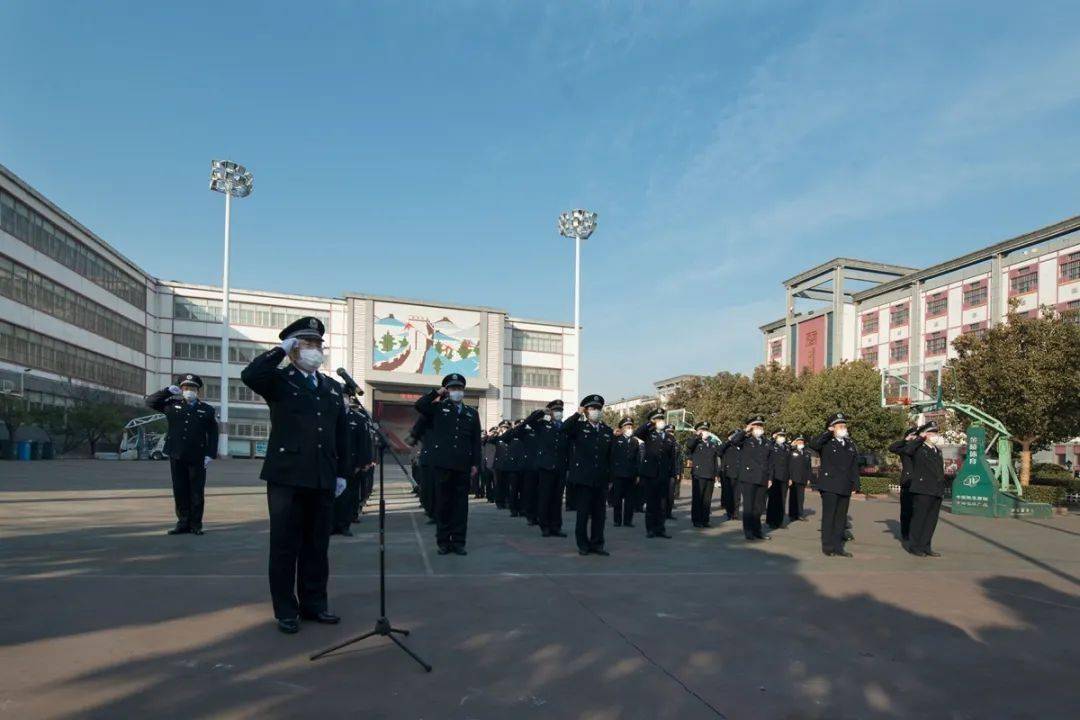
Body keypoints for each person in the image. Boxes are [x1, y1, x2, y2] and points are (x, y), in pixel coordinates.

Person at [240, 316, 349, 634]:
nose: (314, 349)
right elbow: (250, 375)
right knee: (286, 545)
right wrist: (279, 351)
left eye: (318, 344)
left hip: (322, 477)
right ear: (293, 348)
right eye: (306, 343)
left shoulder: (332, 387)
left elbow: (339, 433)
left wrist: (341, 473)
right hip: (287, 477)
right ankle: (286, 609)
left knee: (317, 545)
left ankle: (314, 603)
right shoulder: (279, 380)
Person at [414, 373, 482, 556]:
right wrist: (437, 393)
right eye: (452, 388)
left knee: (461, 506)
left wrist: (476, 463)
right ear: (446, 390)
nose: (456, 392)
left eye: (459, 389)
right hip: (442, 465)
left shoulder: (471, 413)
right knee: (443, 504)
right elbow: (419, 405)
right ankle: (443, 542)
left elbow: (476, 441)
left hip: (463, 465)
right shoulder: (437, 408)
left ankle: (459, 542)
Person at [145, 373, 218, 536]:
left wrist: (210, 454)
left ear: (198, 391)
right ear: (181, 389)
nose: (189, 391)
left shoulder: (206, 409)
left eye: (192, 388)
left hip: (197, 456)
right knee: (180, 489)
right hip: (176, 454)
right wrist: (167, 391)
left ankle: (196, 524)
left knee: (196, 491)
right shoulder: (172, 405)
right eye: (185, 388)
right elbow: (150, 402)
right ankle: (182, 522)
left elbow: (213, 433)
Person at [561, 394, 614, 555]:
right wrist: (577, 414)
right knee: (583, 514)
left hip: (601, 479)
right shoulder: (579, 428)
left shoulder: (606, 430)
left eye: (598, 408)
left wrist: (610, 478)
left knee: (600, 515)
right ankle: (583, 545)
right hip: (583, 479)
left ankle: (597, 544)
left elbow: (610, 456)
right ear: (586, 411)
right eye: (592, 408)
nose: (596, 411)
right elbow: (564, 428)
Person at [809, 412, 859, 558]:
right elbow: (814, 444)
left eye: (844, 426)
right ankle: (828, 546)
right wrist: (828, 432)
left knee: (840, 519)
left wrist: (856, 483)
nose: (844, 428)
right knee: (829, 517)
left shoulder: (849, 444)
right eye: (840, 426)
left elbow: (854, 466)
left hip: (845, 485)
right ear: (832, 428)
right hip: (829, 485)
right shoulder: (826, 442)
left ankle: (838, 547)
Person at [522, 400, 570, 537]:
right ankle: (545, 526)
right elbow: (528, 421)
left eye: (560, 410)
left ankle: (556, 526)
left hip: (560, 467)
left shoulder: (564, 427)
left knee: (557, 498)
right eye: (556, 410)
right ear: (551, 412)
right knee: (545, 497)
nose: (558, 413)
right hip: (546, 467)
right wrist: (542, 412)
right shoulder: (543, 425)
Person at [901, 421, 946, 557]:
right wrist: (920, 437)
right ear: (925, 434)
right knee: (919, 519)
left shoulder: (937, 450)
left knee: (931, 520)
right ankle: (914, 546)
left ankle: (926, 546)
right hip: (922, 489)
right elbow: (907, 450)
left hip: (936, 490)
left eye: (935, 433)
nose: (934, 436)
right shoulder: (918, 448)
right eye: (931, 433)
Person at [332, 394, 375, 536]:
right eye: (341, 396)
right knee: (331, 497)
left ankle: (345, 524)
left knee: (348, 496)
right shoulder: (330, 413)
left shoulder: (357, 419)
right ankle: (331, 525)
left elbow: (364, 443)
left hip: (351, 464)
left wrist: (362, 463)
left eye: (345, 396)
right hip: (331, 462)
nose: (343, 399)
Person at [635, 409, 675, 539]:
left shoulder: (669, 437)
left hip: (663, 475)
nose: (661, 421)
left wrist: (672, 474)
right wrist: (649, 423)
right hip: (650, 475)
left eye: (662, 419)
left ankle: (660, 529)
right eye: (658, 419)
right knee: (651, 504)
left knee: (662, 505)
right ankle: (650, 529)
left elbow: (672, 458)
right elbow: (637, 433)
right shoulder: (648, 434)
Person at [731, 416, 773, 541]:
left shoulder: (766, 442)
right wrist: (745, 430)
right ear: (751, 427)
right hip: (748, 478)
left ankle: (757, 530)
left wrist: (770, 477)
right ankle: (748, 531)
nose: (759, 428)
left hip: (762, 478)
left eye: (761, 426)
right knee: (749, 507)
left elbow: (770, 461)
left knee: (759, 507)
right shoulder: (745, 440)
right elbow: (734, 441)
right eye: (756, 426)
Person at [685, 421, 721, 528]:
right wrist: (697, 435)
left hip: (710, 474)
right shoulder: (695, 442)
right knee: (698, 498)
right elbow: (689, 445)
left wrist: (716, 474)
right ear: (698, 431)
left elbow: (714, 460)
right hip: (698, 474)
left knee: (707, 499)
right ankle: (696, 520)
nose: (705, 432)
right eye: (703, 430)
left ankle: (705, 519)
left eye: (707, 430)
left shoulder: (712, 444)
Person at [888, 426, 919, 542]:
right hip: (907, 481)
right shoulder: (904, 448)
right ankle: (905, 533)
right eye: (913, 435)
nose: (915, 437)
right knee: (906, 509)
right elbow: (892, 448)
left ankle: (915, 532)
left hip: (919, 482)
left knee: (917, 510)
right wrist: (905, 440)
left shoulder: (920, 448)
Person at [610, 417, 640, 527]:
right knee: (617, 499)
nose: (630, 429)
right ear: (622, 428)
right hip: (618, 474)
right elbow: (611, 457)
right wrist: (611, 475)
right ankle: (617, 520)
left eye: (631, 427)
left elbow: (637, 459)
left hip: (631, 475)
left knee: (630, 500)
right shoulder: (616, 440)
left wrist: (637, 474)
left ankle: (628, 521)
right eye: (627, 427)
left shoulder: (634, 441)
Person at [765, 428, 791, 530]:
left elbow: (789, 464)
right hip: (774, 477)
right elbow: (770, 463)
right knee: (773, 500)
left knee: (782, 500)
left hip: (784, 477)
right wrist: (769, 478)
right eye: (780, 435)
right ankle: (771, 521)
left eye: (783, 435)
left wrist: (790, 477)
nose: (782, 437)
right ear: (776, 436)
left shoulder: (787, 447)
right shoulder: (771, 446)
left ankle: (779, 521)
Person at [787, 434, 812, 522]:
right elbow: (788, 465)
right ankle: (792, 515)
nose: (801, 443)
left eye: (802, 441)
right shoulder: (791, 451)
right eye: (799, 441)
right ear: (795, 442)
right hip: (793, 477)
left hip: (803, 478)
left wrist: (809, 478)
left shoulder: (807, 453)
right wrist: (789, 477)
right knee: (793, 497)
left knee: (801, 497)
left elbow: (809, 467)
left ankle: (800, 514)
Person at [719, 429, 741, 521]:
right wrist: (728, 440)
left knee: (737, 495)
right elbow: (719, 450)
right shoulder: (727, 446)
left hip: (739, 473)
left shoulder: (740, 445)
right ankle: (729, 512)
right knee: (729, 494)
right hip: (728, 473)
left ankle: (735, 513)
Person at [492, 420, 512, 509]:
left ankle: (507, 501)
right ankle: (499, 502)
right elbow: (490, 440)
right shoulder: (497, 438)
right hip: (498, 465)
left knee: (507, 484)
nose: (505, 429)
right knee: (498, 485)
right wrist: (497, 433)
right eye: (503, 427)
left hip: (508, 464)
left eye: (507, 428)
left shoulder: (510, 438)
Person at [666, 425, 684, 520]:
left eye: (672, 432)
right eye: (669, 432)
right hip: (662, 472)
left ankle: (668, 513)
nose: (671, 434)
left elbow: (678, 460)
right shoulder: (662, 442)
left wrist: (679, 472)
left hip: (672, 472)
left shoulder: (677, 445)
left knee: (670, 493)